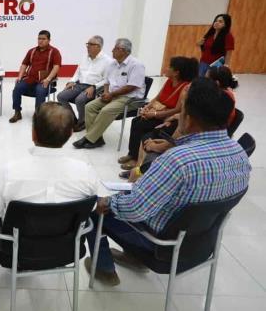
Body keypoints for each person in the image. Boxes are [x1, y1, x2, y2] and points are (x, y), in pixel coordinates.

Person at [85, 78, 251, 286]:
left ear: (188, 119)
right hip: (202, 243)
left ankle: (104, 269)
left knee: (94, 213)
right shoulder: (240, 154)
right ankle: (133, 258)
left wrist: (107, 203)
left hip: (161, 247)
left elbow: (135, 210)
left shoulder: (178, 160)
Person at [0, 102, 98, 220]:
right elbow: (92, 207)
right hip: (70, 237)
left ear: (33, 134)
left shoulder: (8, 173)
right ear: (70, 134)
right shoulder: (86, 172)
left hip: (18, 237)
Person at [118, 57, 198, 170]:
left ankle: (137, 160)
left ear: (176, 72)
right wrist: (147, 107)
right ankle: (132, 154)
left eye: (170, 67)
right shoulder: (169, 81)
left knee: (142, 126)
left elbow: (177, 109)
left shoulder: (185, 87)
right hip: (160, 113)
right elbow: (157, 97)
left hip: (169, 118)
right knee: (136, 121)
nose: (166, 68)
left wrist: (155, 114)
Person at [73, 38, 145, 149]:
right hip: (112, 95)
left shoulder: (136, 65)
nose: (112, 50)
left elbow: (132, 86)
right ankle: (97, 139)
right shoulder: (113, 64)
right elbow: (107, 81)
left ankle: (89, 138)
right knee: (89, 107)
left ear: (122, 50)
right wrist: (106, 92)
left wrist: (111, 95)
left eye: (115, 48)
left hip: (129, 98)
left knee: (106, 110)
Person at [57, 35, 112, 131]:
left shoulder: (107, 61)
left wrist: (94, 87)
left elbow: (107, 80)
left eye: (91, 44)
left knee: (80, 99)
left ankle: (83, 122)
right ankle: (73, 120)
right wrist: (71, 81)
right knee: (61, 96)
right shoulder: (84, 57)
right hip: (79, 85)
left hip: (94, 87)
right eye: (87, 44)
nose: (88, 46)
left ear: (98, 46)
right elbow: (77, 72)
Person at [9, 30, 62, 123]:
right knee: (17, 88)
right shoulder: (32, 51)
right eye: (39, 39)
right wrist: (20, 76)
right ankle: (17, 112)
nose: (40, 41)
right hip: (30, 79)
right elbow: (24, 64)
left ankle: (39, 114)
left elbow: (56, 67)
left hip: (44, 80)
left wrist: (48, 79)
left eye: (43, 39)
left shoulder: (54, 52)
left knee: (40, 90)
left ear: (49, 40)